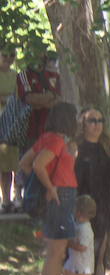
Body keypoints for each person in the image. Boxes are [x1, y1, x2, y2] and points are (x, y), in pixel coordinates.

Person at [32, 102, 79, 275]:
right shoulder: (57, 141)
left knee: (55, 251)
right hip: (62, 194)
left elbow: (25, 163)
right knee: (56, 252)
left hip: (61, 195)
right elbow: (37, 165)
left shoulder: (46, 138)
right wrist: (50, 187)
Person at [75, 106, 110, 275]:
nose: (97, 125)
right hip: (80, 203)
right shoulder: (75, 146)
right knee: (80, 251)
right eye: (92, 120)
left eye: (100, 120)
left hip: (102, 204)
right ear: (83, 123)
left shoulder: (109, 147)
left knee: (99, 252)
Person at [17, 50, 61, 147]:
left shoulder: (53, 76)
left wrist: (41, 102)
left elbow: (59, 99)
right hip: (30, 130)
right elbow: (29, 99)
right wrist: (49, 97)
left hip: (51, 129)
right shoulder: (24, 75)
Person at [61, 194, 99, 275]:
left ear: (79, 212)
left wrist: (67, 243)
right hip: (72, 265)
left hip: (81, 269)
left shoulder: (85, 229)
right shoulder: (77, 224)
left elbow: (82, 247)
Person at [0, 45, 19, 211]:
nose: (8, 59)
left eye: (12, 55)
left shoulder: (16, 76)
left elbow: (20, 97)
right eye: (4, 55)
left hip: (12, 124)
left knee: (9, 165)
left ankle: (8, 200)